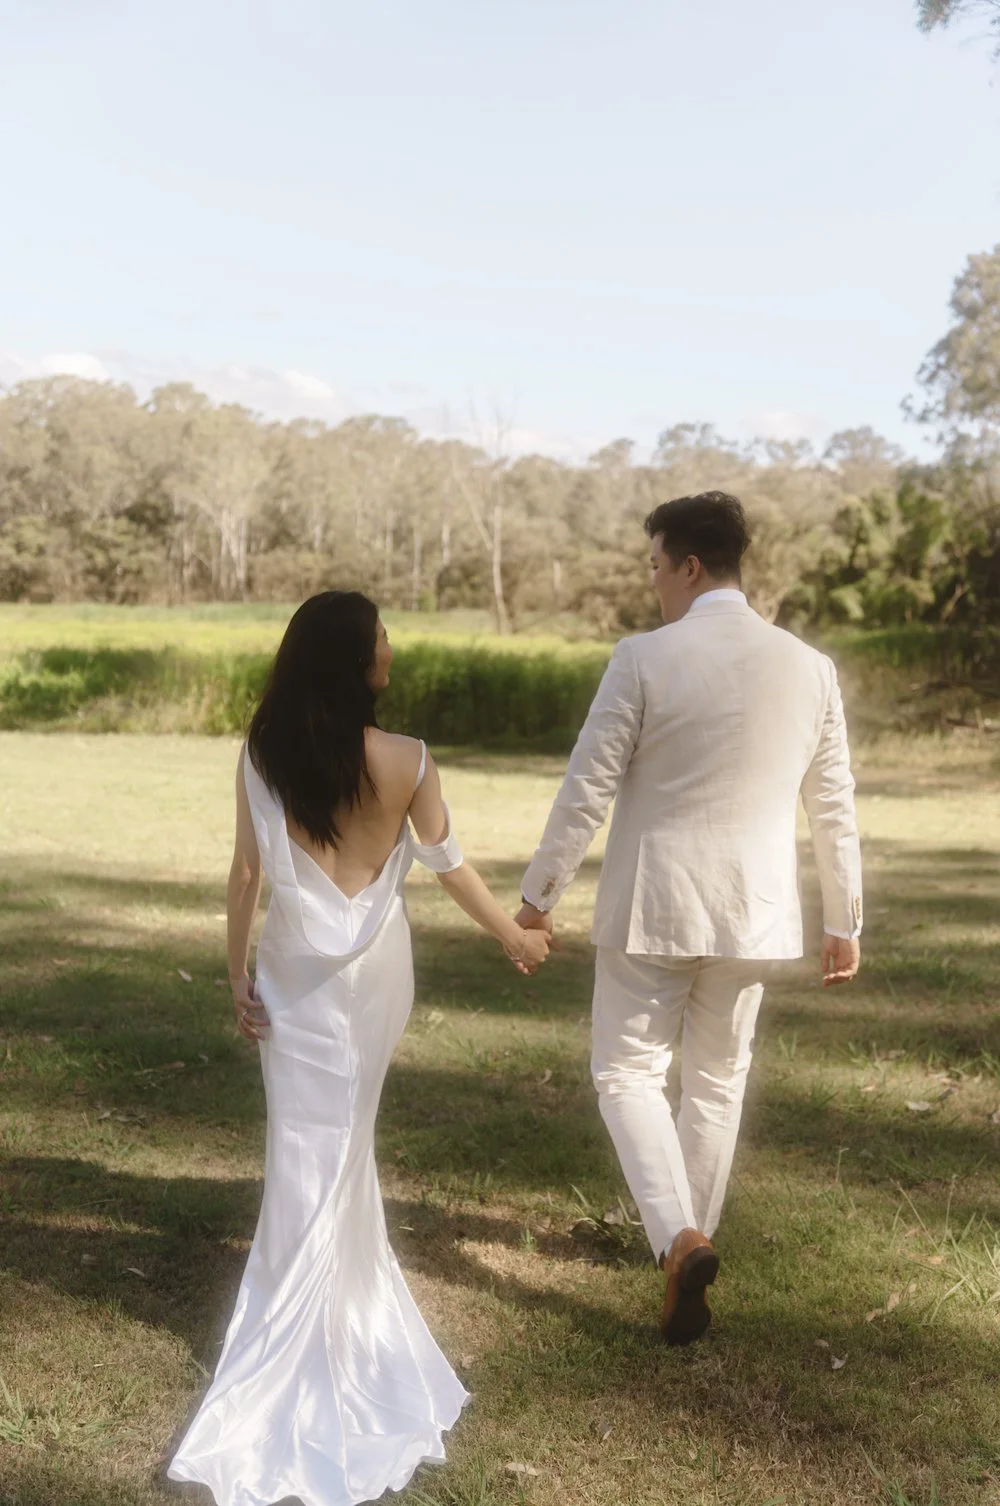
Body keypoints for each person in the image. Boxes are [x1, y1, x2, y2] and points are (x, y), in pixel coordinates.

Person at [168, 591, 550, 1506]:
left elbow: (246, 876)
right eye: (380, 634)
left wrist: (236, 976)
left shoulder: (261, 753)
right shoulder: (409, 760)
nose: (392, 644)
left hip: (294, 975)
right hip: (372, 975)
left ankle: (318, 1316)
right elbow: (447, 862)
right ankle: (331, 1319)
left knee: (312, 1147)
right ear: (355, 658)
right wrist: (516, 937)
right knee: (342, 1145)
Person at [516, 491, 862, 1346]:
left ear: (690, 566)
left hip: (655, 904)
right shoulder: (809, 666)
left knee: (627, 1073)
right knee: (717, 1079)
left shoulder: (643, 658)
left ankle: (678, 1241)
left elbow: (586, 785)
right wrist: (844, 916)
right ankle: (685, 1245)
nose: (654, 582)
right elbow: (835, 804)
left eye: (656, 565)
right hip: (756, 911)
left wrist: (537, 897)